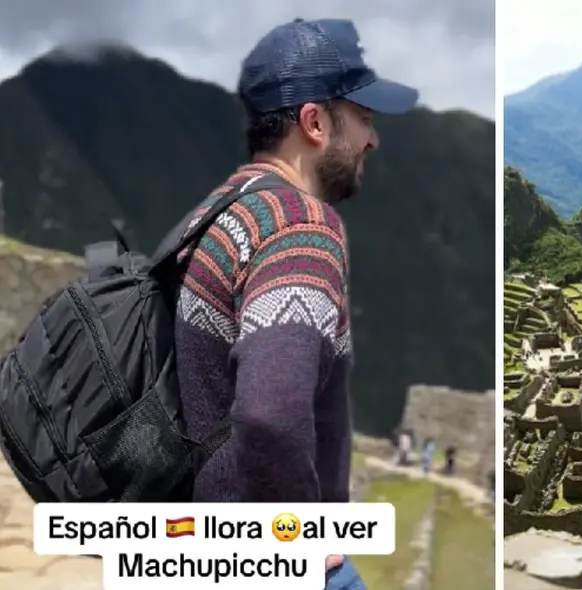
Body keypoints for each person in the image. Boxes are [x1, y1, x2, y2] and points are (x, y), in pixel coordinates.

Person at [172, 17, 417, 590]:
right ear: (314, 122)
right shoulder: (297, 227)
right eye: (363, 119)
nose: (372, 141)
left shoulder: (218, 211)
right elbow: (271, 414)